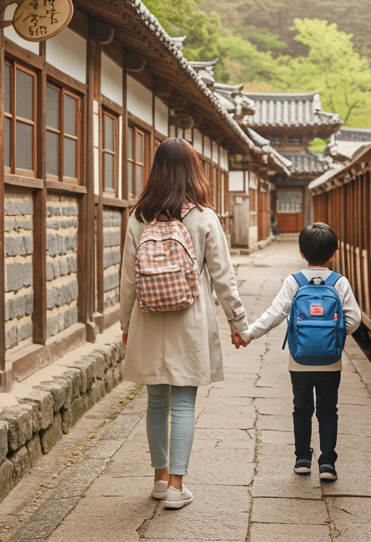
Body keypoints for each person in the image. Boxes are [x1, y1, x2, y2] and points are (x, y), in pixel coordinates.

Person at [120, 138, 250, 510]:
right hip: (189, 320)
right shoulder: (205, 217)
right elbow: (224, 277)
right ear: (194, 170)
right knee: (182, 405)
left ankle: (159, 479)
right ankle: (178, 486)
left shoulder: (138, 217)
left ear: (156, 170)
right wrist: (237, 323)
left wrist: (124, 323)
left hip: (147, 318)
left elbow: (128, 278)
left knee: (156, 403)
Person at [236, 223, 362, 481]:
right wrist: (334, 336)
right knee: (328, 411)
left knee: (301, 409)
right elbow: (354, 320)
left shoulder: (294, 282)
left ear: (301, 253)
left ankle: (302, 459)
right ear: (334, 254)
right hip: (331, 362)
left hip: (299, 361)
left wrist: (248, 334)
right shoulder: (340, 282)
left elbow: (275, 313)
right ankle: (327, 464)